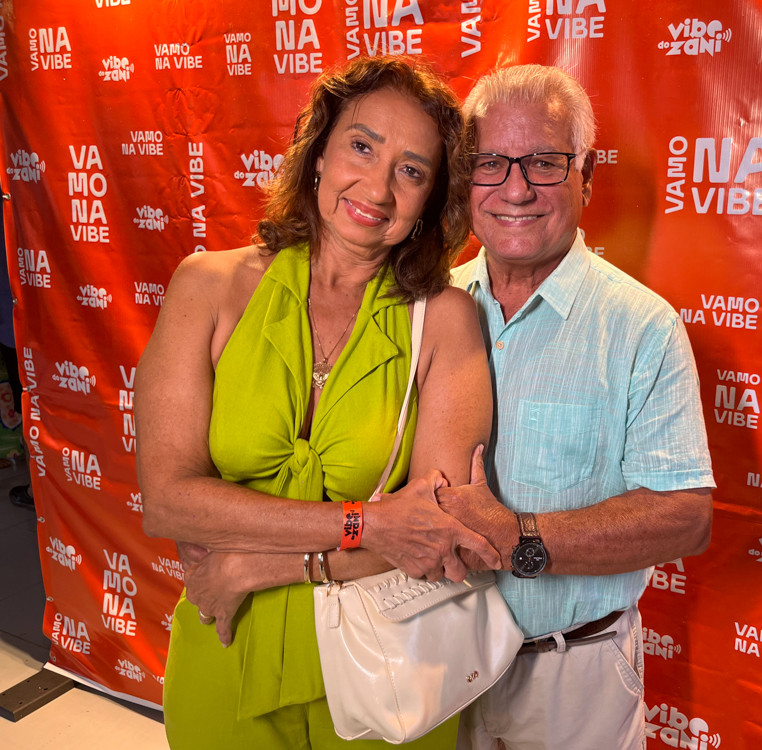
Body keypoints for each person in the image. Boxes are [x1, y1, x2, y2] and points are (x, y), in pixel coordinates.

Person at [135, 57, 498, 749]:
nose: (379, 187)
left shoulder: (446, 320)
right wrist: (370, 522)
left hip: (385, 667)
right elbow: (169, 501)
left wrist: (251, 563)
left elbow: (433, 535)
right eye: (362, 146)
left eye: (411, 170)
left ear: (431, 200)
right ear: (319, 153)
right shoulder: (206, 286)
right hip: (224, 639)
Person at [438, 64, 716, 750]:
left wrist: (518, 536)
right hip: (432, 666)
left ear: (586, 177)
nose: (516, 189)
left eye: (545, 162)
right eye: (490, 163)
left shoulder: (642, 327)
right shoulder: (426, 306)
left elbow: (685, 517)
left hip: (575, 677)